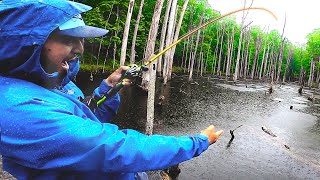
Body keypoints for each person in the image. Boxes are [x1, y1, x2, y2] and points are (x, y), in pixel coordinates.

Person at [0, 0, 223, 179]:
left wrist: (107, 88)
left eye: (81, 39)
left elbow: (86, 118)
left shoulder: (44, 81)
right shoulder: (20, 109)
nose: (80, 48)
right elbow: (113, 148)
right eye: (69, 39)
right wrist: (197, 142)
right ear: (28, 42)